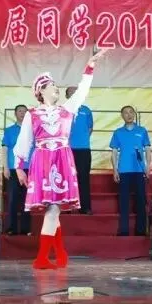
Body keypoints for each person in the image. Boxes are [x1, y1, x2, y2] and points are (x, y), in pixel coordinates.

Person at [13, 49, 107, 269]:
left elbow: (82, 91)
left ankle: (59, 253)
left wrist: (90, 66)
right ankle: (42, 258)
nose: (56, 88)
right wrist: (18, 167)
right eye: (51, 85)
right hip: (43, 161)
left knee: (54, 209)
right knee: (53, 209)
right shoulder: (32, 114)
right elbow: (24, 141)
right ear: (41, 90)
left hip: (62, 159)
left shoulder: (67, 109)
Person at [110, 106, 151, 236]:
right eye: (126, 113)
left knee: (141, 200)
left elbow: (147, 149)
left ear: (134, 114)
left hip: (139, 170)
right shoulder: (118, 132)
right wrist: (115, 170)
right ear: (122, 116)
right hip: (123, 170)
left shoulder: (142, 131)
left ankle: (140, 230)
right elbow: (114, 152)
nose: (129, 115)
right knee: (124, 201)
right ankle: (124, 230)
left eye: (131, 112)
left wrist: (148, 167)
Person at [2, 105, 32, 235]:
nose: (22, 113)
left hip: (29, 168)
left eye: (25, 111)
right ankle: (11, 228)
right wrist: (5, 167)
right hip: (13, 169)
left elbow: (36, 150)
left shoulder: (32, 130)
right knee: (12, 199)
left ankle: (26, 228)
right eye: (20, 111)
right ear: (15, 114)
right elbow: (4, 149)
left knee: (27, 199)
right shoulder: (9, 130)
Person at [66, 86, 94, 214]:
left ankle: (85, 207)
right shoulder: (62, 110)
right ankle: (66, 206)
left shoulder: (86, 110)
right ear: (67, 96)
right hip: (66, 150)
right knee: (66, 178)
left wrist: (81, 139)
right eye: (71, 94)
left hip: (83, 149)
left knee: (83, 178)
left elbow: (90, 128)